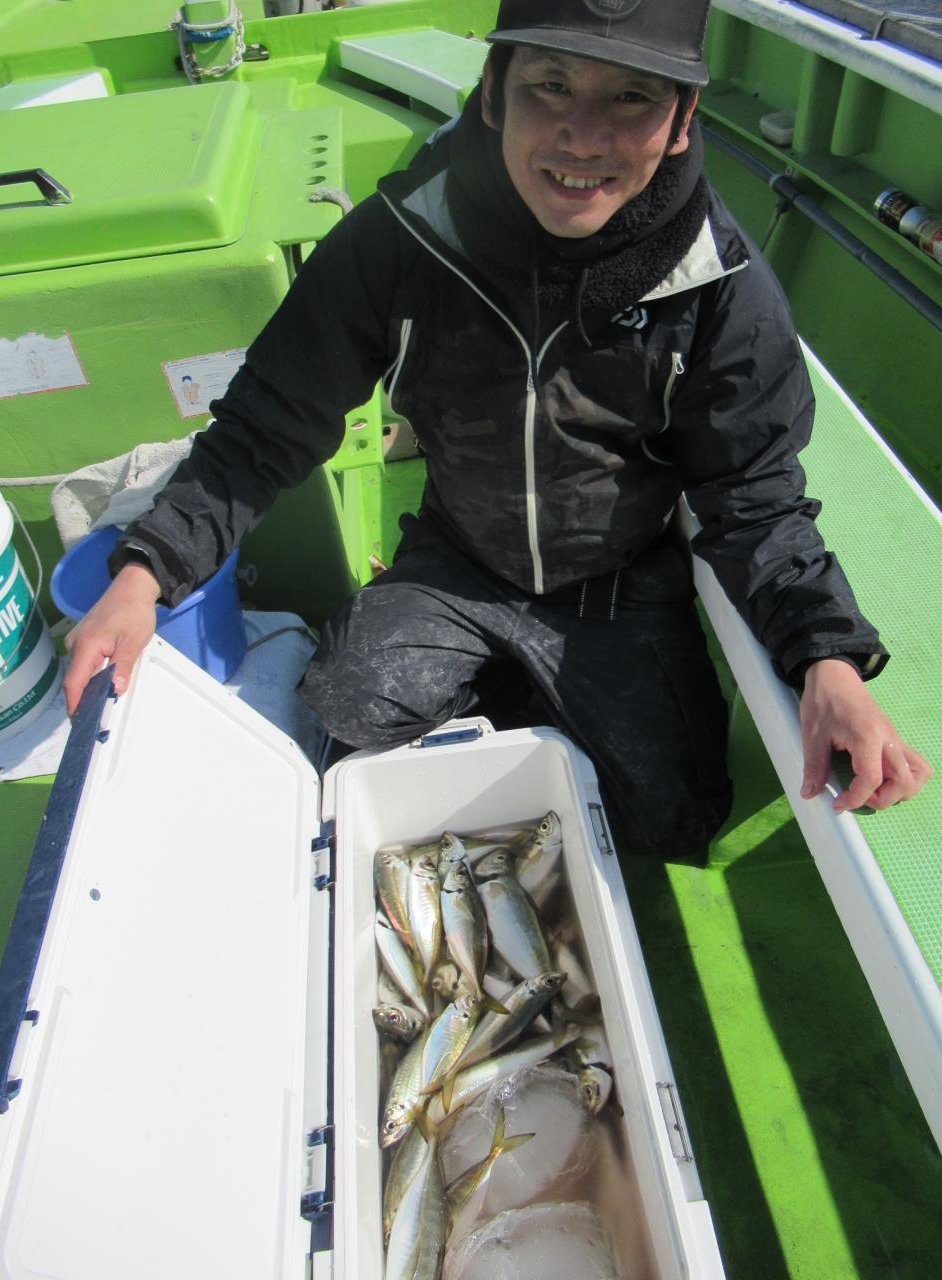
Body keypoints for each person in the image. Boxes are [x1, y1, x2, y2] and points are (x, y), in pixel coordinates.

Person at [63, 0, 930, 858]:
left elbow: (755, 496)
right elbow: (267, 421)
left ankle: (524, 691)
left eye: (631, 97)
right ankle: (515, 685)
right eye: (549, 85)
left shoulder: (721, 284)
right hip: (459, 560)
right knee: (346, 717)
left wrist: (826, 659)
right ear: (491, 90)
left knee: (674, 820)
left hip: (618, 578)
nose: (582, 139)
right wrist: (146, 574)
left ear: (681, 121)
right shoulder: (400, 237)